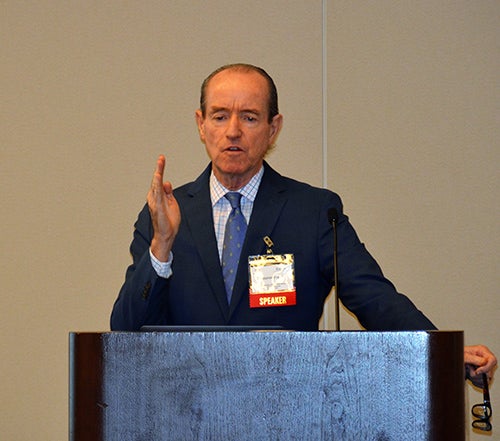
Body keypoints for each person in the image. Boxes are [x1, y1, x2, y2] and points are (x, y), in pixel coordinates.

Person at [110, 63, 496, 384]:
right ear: (201, 124)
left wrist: (442, 350)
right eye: (220, 116)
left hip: (288, 404)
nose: (232, 131)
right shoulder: (166, 212)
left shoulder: (314, 211)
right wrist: (161, 246)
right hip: (183, 409)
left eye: (249, 117)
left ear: (273, 128)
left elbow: (373, 296)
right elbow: (124, 330)